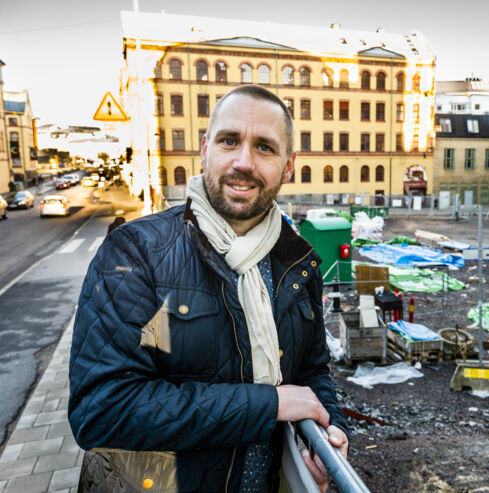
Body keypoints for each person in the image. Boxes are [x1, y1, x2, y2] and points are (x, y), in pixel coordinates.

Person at [68, 84, 348, 492]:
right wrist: (268, 406)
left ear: (289, 167)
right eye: (229, 141)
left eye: (265, 148)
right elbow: (103, 410)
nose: (244, 162)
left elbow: (311, 372)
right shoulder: (137, 254)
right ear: (204, 150)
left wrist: (327, 434)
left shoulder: (297, 263)